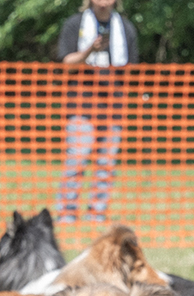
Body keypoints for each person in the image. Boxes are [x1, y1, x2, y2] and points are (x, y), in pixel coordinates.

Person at [55, 0, 138, 225]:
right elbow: (67, 64)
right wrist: (90, 49)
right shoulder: (74, 25)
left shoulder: (126, 28)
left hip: (113, 109)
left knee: (106, 165)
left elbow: (132, 69)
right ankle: (66, 214)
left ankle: (96, 215)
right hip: (82, 106)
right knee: (77, 162)